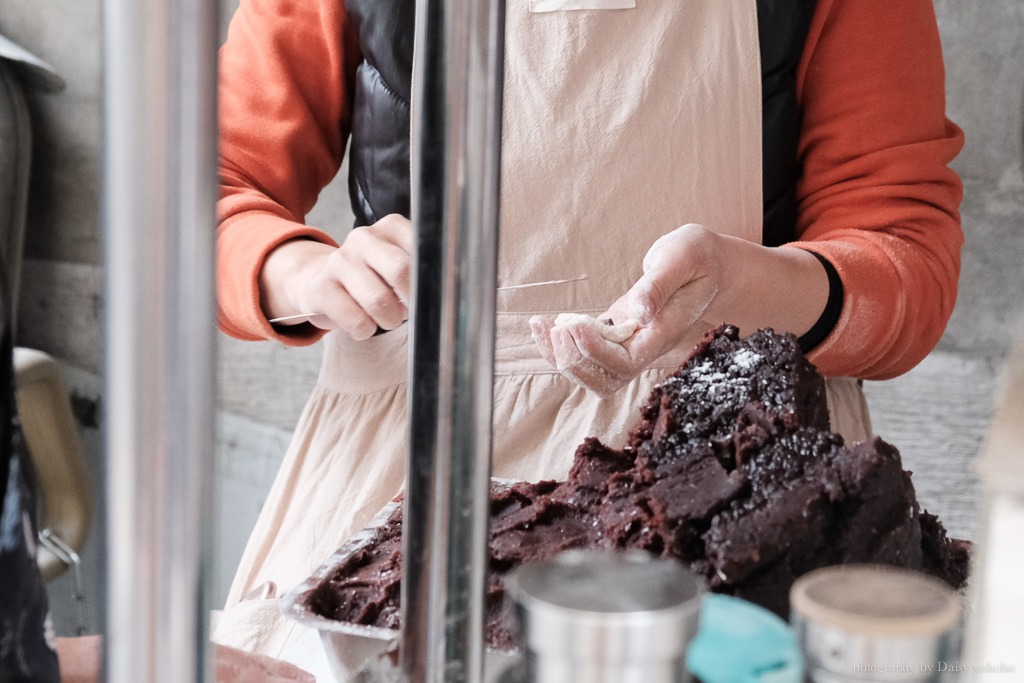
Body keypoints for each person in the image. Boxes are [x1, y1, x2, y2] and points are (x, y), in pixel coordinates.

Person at [214, 0, 963, 657]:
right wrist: (296, 272)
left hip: (750, 482)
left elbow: (905, 254)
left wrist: (752, 287)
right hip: (405, 472)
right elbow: (208, 187)